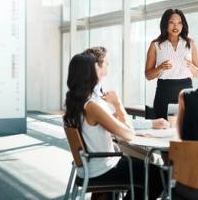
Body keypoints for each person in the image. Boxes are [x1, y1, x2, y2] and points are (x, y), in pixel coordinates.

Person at [63, 51, 163, 200]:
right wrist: (117, 103)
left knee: (143, 169)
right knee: (158, 175)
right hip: (102, 169)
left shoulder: (75, 103)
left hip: (88, 167)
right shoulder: (92, 106)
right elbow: (129, 134)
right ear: (91, 72)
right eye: (98, 66)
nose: (103, 68)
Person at [83, 46, 169, 129]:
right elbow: (122, 128)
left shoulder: (89, 93)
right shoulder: (93, 101)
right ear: (96, 66)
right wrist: (151, 123)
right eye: (106, 62)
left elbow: (113, 120)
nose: (108, 64)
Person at [145, 9, 198, 120]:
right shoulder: (156, 44)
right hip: (164, 92)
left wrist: (191, 66)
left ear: (183, 24)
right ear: (165, 23)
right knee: (163, 128)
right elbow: (148, 75)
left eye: (179, 23)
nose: (176, 26)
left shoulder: (190, 43)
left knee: (186, 129)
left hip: (186, 92)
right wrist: (160, 68)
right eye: (171, 22)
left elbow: (197, 73)